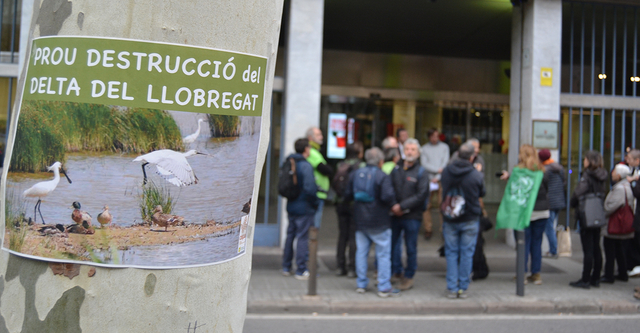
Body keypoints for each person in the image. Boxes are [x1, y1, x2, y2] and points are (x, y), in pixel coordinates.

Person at [344, 147, 399, 297]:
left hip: (360, 220)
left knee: (361, 252)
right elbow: (388, 196)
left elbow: (347, 194)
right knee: (383, 254)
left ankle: (361, 284)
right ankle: (383, 286)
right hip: (380, 221)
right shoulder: (382, 176)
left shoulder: (355, 174)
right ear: (381, 161)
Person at [440, 142, 485, 299]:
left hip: (450, 217)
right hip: (470, 218)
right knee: (467, 253)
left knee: (451, 252)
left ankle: (452, 287)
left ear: (457, 155)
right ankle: (463, 288)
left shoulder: (446, 171)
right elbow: (482, 193)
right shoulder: (476, 174)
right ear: (472, 157)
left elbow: (443, 189)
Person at [500, 144, 549, 285]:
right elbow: (546, 189)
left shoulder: (518, 171)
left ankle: (522, 274)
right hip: (542, 212)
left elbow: (516, 190)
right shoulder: (543, 170)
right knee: (537, 243)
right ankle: (536, 274)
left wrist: (509, 178)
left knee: (523, 243)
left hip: (524, 212)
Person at [390, 138, 430, 291]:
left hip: (412, 216)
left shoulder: (421, 172)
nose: (410, 152)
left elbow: (421, 195)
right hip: (395, 215)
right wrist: (394, 205)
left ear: (418, 153)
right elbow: (389, 188)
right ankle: (396, 271)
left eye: (413, 150)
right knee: (393, 245)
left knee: (411, 247)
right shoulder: (396, 169)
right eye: (407, 149)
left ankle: (409, 276)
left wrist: (402, 206)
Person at [282, 139, 320, 280]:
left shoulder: (289, 161)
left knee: (290, 236)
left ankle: (286, 267)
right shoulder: (305, 166)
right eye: (309, 148)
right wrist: (315, 203)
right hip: (304, 207)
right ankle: (301, 269)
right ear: (306, 149)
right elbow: (310, 189)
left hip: (291, 205)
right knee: (303, 237)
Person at [569, 150, 607, 289]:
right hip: (597, 212)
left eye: (585, 159)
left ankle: (585, 279)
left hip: (586, 213)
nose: (583, 161)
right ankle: (595, 278)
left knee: (588, 249)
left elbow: (579, 192)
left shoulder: (587, 175)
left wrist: (572, 202)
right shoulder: (602, 175)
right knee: (596, 247)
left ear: (589, 161)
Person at [333, 142, 364, 277]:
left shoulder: (340, 165)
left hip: (340, 203)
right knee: (353, 236)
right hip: (354, 204)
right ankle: (352, 268)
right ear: (359, 153)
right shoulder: (361, 166)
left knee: (342, 235)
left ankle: (340, 266)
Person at [601, 164, 634, 284]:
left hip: (614, 225)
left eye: (614, 171)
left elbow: (610, 207)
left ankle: (609, 275)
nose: (612, 173)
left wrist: (603, 212)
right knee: (619, 249)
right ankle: (622, 273)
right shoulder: (626, 186)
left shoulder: (619, 189)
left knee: (609, 249)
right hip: (621, 225)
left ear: (619, 175)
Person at [420, 128, 450, 240]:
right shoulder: (424, 149)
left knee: (442, 204)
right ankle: (428, 229)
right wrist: (437, 171)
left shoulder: (444, 147)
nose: (435, 138)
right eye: (433, 136)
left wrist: (438, 176)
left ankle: (444, 229)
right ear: (429, 137)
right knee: (426, 205)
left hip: (441, 180)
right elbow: (424, 164)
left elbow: (445, 163)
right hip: (428, 180)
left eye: (437, 136)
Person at [538, 149, 566, 259]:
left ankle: (553, 250)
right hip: (559, 200)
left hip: (549, 201)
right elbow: (563, 182)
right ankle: (553, 249)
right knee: (552, 225)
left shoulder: (545, 170)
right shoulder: (559, 168)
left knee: (549, 227)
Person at [306, 127, 332, 229]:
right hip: (316, 194)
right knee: (314, 227)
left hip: (318, 193)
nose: (321, 137)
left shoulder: (315, 151)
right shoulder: (311, 152)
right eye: (318, 135)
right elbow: (325, 169)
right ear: (310, 137)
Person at [624, 149, 640, 277]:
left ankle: (636, 264)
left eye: (629, 158)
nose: (627, 160)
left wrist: (632, 182)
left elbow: (637, 192)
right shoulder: (631, 171)